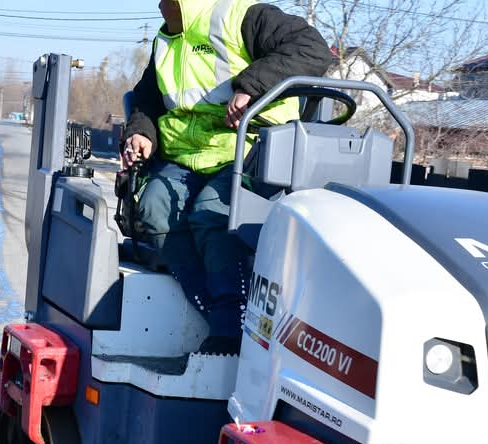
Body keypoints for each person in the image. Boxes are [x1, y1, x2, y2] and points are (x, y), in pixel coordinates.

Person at [122, 0, 333, 355]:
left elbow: (313, 49)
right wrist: (140, 131)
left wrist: (251, 86)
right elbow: (148, 98)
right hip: (187, 155)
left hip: (248, 148)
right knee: (155, 206)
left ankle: (227, 326)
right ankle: (218, 309)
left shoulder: (243, 16)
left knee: (212, 213)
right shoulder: (166, 39)